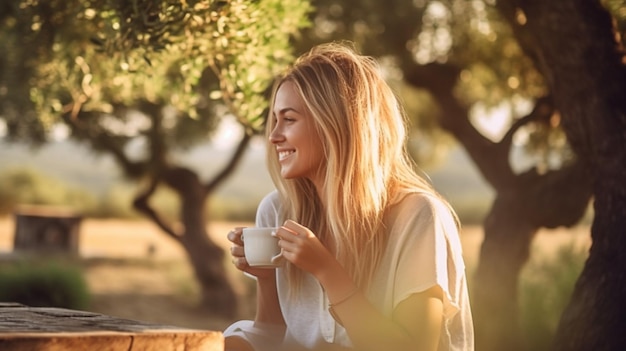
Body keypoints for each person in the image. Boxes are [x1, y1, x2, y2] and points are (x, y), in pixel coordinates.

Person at [224, 42, 474, 351]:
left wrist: (328, 272)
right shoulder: (277, 210)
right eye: (274, 120)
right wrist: (265, 277)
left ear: (335, 124)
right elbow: (275, 335)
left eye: (288, 119)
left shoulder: (418, 216)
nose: (274, 136)